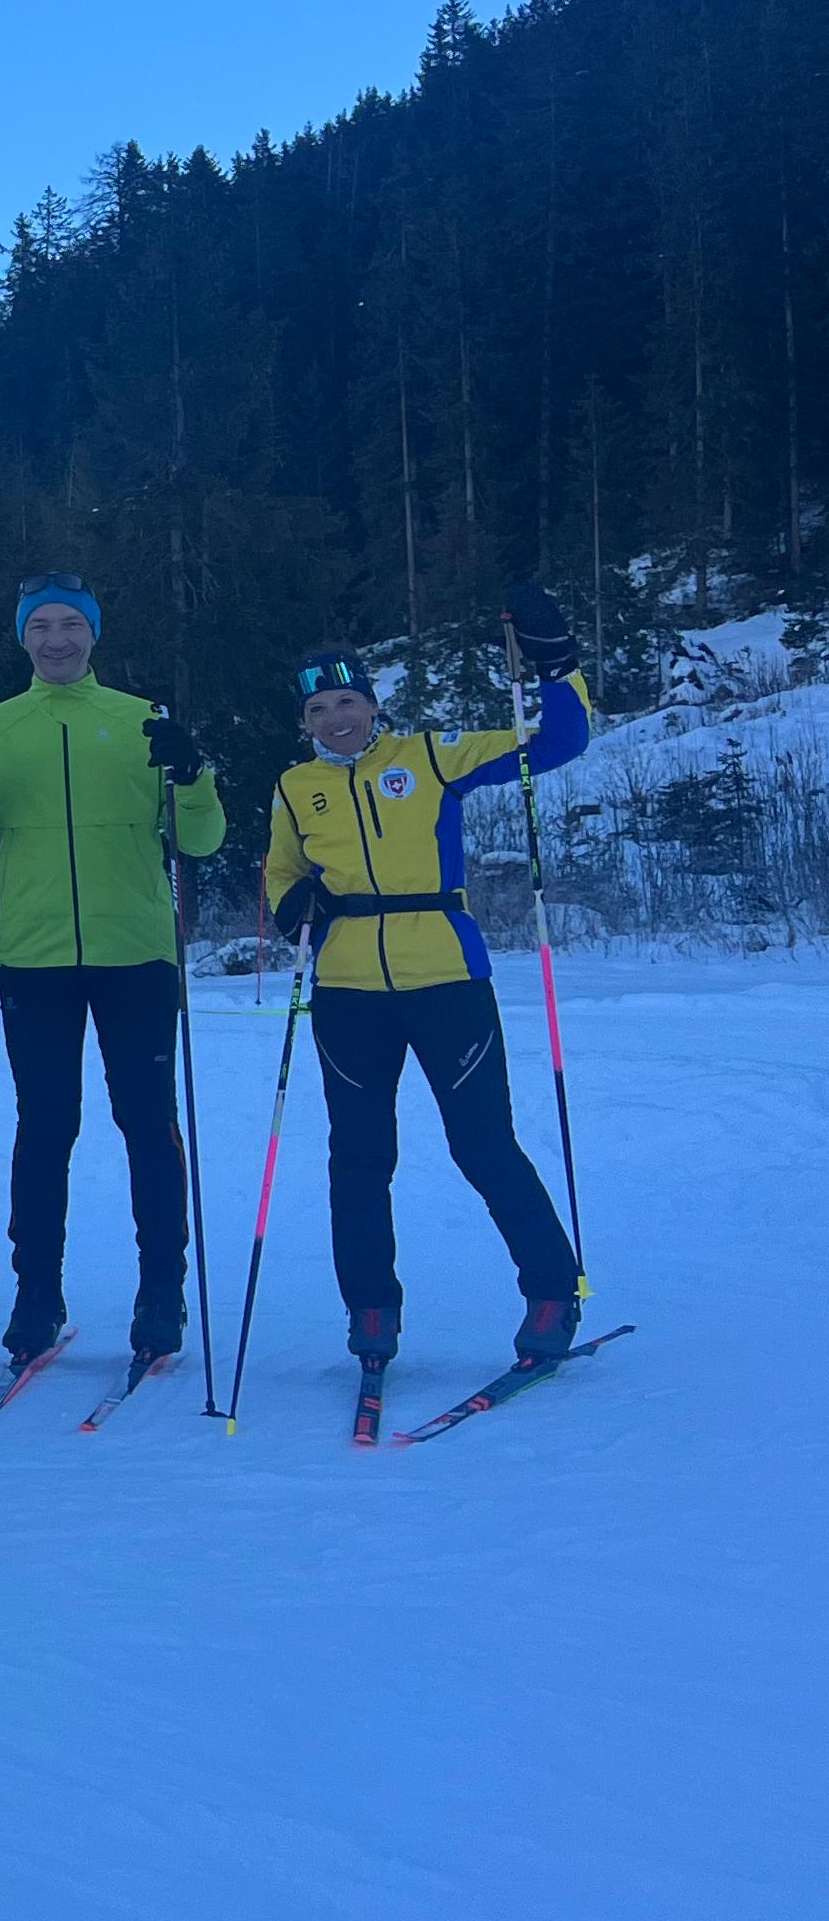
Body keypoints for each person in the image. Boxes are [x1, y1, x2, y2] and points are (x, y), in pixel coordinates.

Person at [267, 587, 594, 1375]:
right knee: (359, 1156)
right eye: (321, 709)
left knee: (483, 1145)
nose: (337, 718)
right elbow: (280, 877)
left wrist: (558, 666)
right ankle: (371, 1310)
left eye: (349, 702)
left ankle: (552, 1292)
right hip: (347, 994)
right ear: (305, 721)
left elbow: (556, 744)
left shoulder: (428, 755)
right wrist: (292, 907)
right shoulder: (293, 788)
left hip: (447, 977)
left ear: (373, 706)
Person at [0, 577, 230, 1372]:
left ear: (94, 635)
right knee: (46, 1126)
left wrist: (193, 772)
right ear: (22, 640)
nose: (56, 640)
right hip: (34, 955)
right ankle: (37, 1295)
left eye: (70, 626)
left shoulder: (139, 722)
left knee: (147, 1125)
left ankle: (162, 1290)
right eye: (41, 627)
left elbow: (200, 841)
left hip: (136, 952)